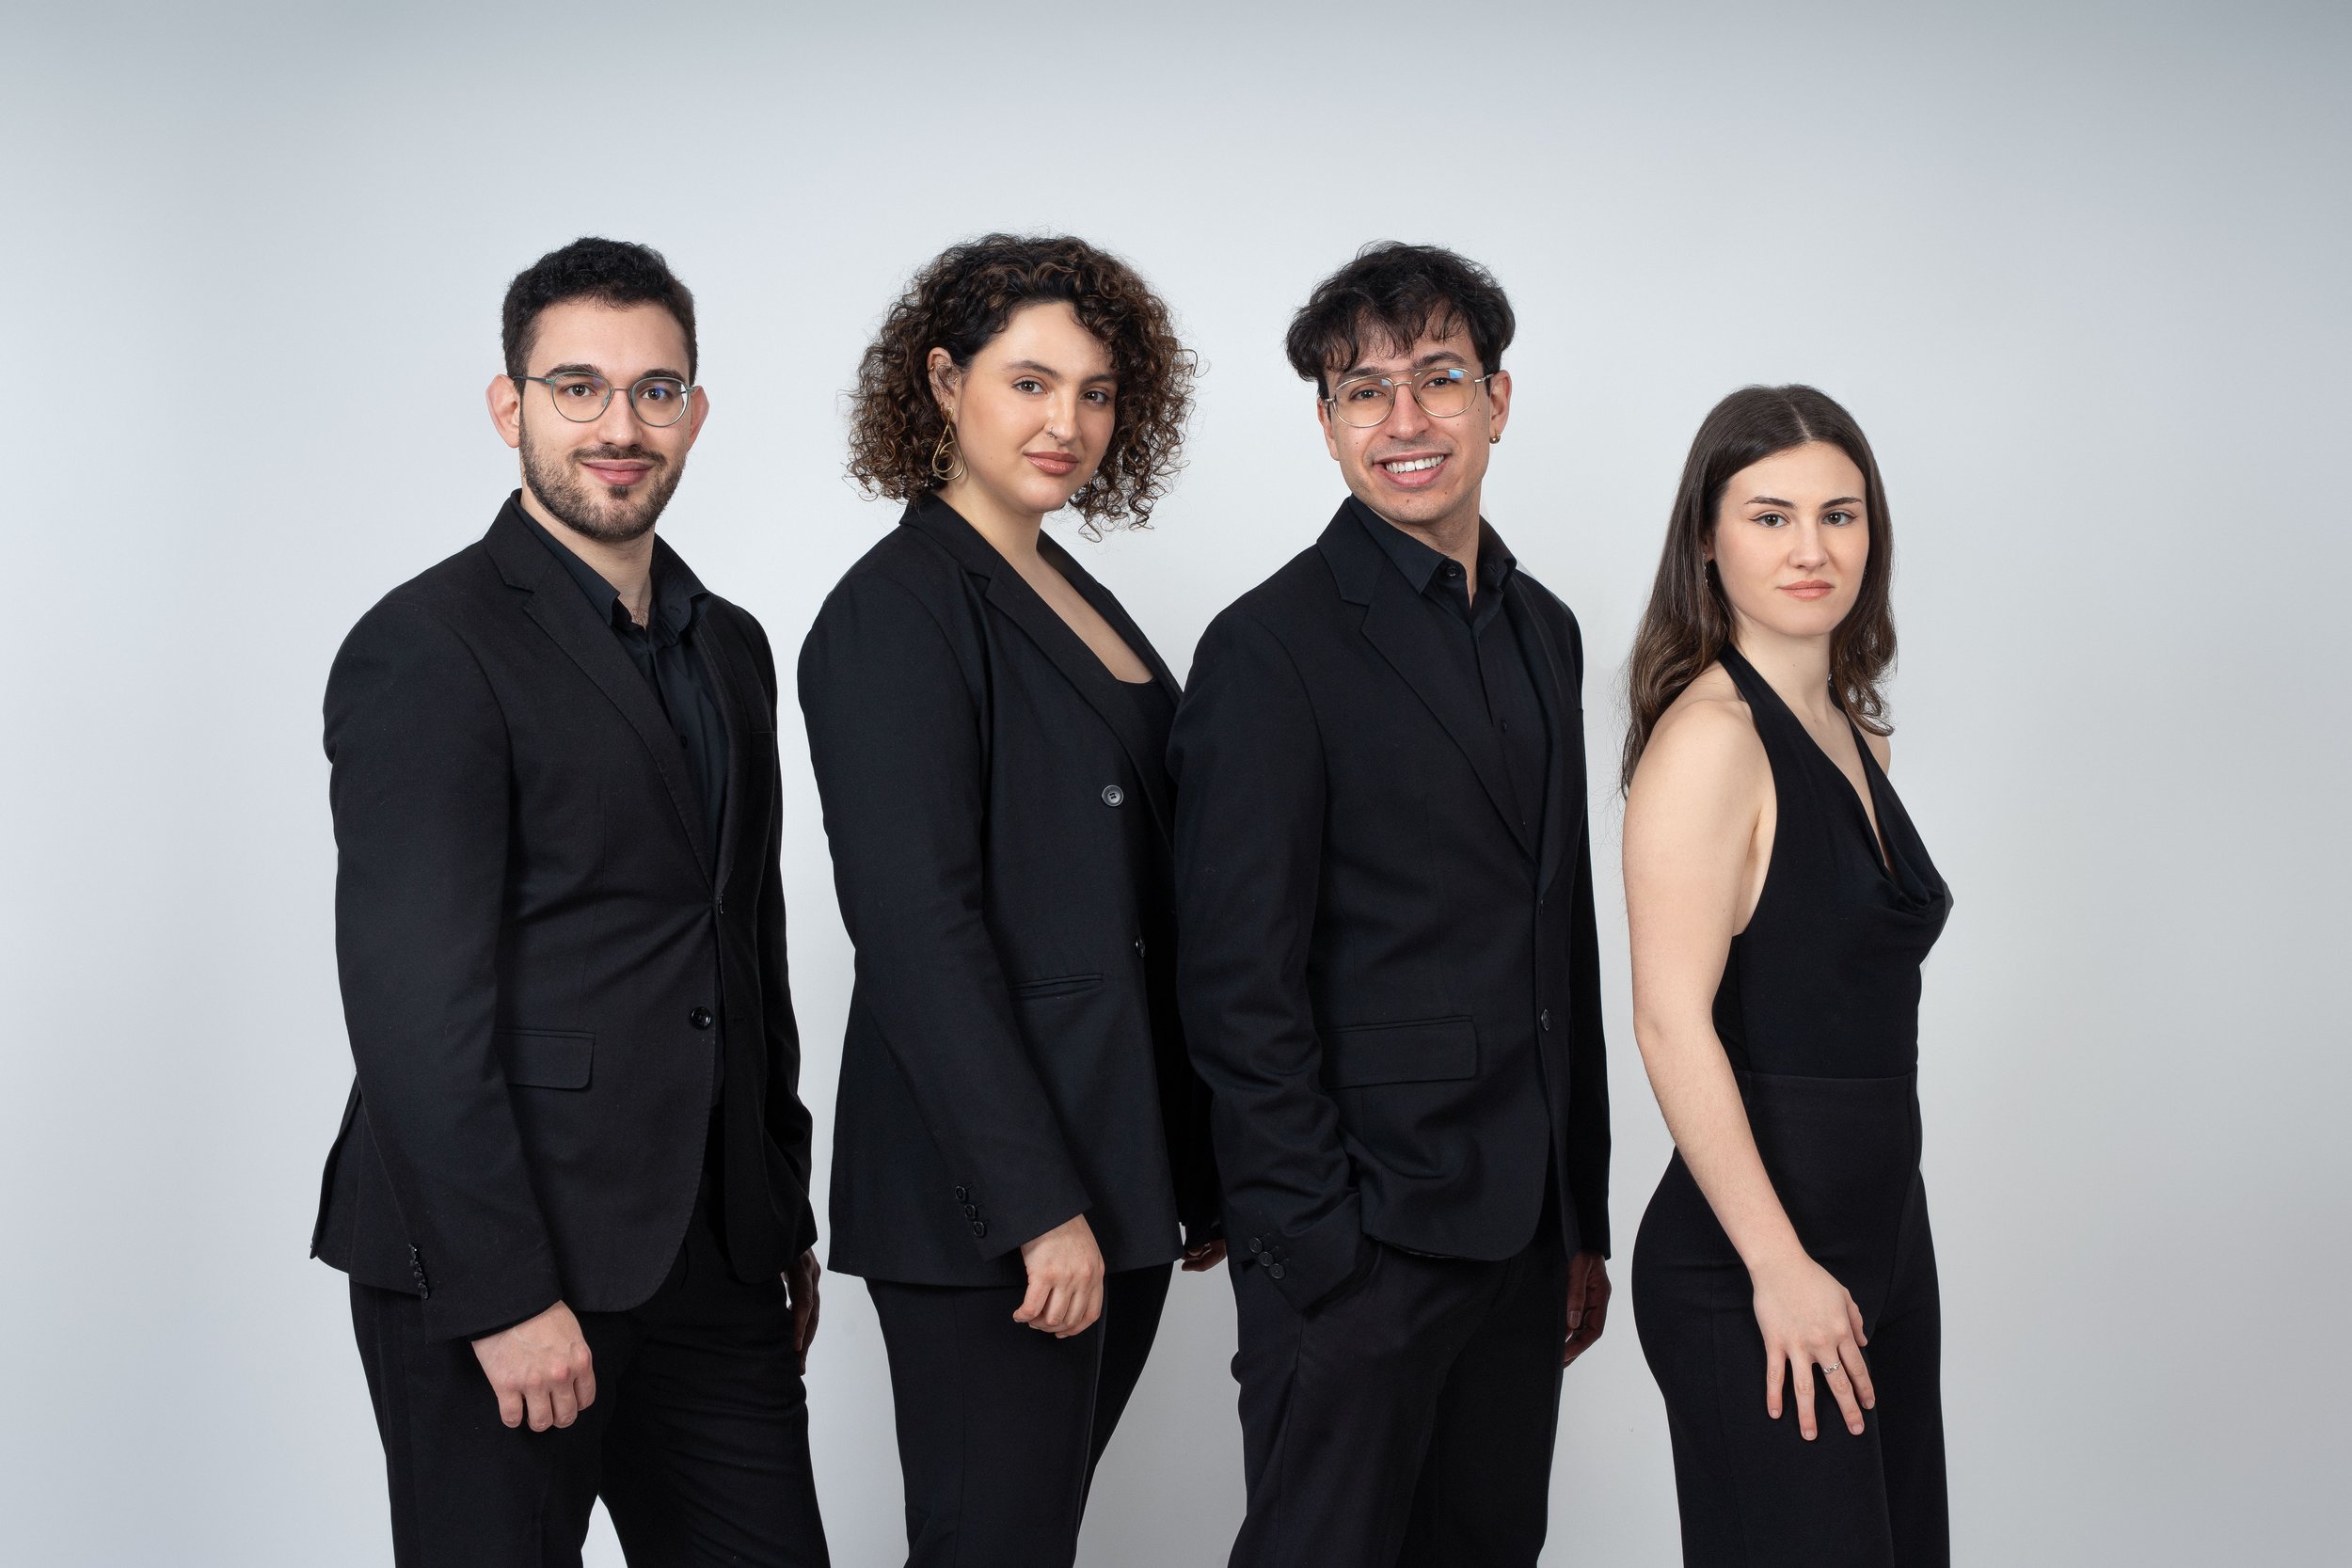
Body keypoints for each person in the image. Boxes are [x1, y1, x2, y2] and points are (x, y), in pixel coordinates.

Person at [313, 237, 828, 1567]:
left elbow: (744, 940)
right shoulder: (428, 645)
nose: (620, 426)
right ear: (512, 406)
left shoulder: (729, 644)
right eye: (578, 387)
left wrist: (776, 1210)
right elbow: (413, 1007)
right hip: (503, 1261)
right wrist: (500, 1291)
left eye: (656, 390)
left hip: (714, 1257)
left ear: (695, 413)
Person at [1168, 242, 1613, 1568]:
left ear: (1498, 398)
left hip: (1522, 1238)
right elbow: (1234, 984)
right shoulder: (1267, 648)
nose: (1404, 418)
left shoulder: (1546, 629)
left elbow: (1560, 937)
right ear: (1326, 423)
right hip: (1358, 1244)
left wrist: (1579, 1216)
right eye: (1364, 390)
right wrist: (1317, 1249)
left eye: (1438, 377)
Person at [798, 232, 1221, 1568]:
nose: (1065, 423)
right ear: (943, 382)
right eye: (1029, 382)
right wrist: (1037, 1204)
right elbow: (916, 932)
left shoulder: (1062, 582)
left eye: (1095, 392)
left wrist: (1196, 1158)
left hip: (1118, 1161)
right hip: (991, 1201)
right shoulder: (894, 612)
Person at [1622, 386, 1951, 1566]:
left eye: (1838, 514)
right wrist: (1777, 1265)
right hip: (1752, 1262)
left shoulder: (1855, 732)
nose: (1811, 548)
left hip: (1883, 1238)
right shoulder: (1713, 739)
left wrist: (1874, 1254)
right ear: (1707, 541)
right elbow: (1669, 1021)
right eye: (1770, 517)